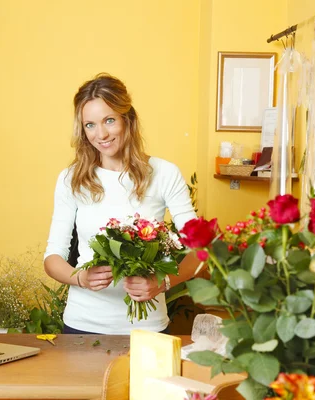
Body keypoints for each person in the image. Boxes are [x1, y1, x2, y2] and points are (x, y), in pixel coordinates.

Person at [43, 73, 200, 335]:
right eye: (90, 125)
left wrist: (163, 282)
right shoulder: (72, 179)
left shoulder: (164, 173)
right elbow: (52, 257)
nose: (101, 134)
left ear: (128, 120)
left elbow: (201, 251)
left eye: (109, 120)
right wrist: (80, 278)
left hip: (147, 329)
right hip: (82, 325)